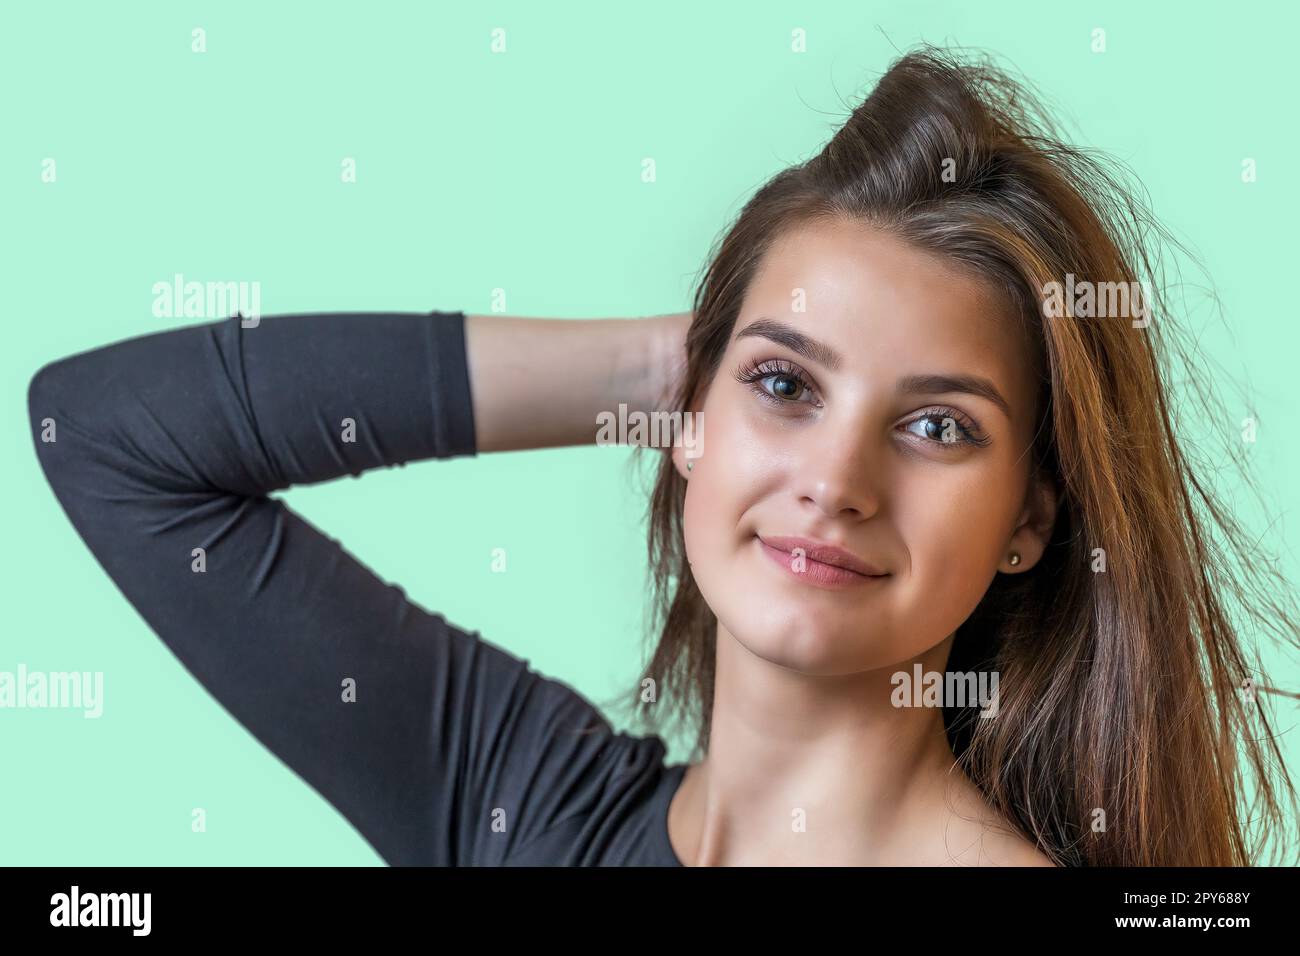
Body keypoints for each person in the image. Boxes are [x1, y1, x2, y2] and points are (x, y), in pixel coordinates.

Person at [28, 45, 1300, 866]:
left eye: (934, 425)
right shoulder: (517, 803)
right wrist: (664, 379)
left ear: (1030, 518)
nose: (835, 477)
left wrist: (739, 382)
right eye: (786, 383)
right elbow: (106, 435)